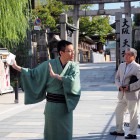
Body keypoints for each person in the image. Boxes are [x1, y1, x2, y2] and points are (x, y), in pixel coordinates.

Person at [12, 40, 81, 140]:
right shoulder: (49, 64)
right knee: (51, 134)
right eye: (70, 51)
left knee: (66, 133)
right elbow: (33, 74)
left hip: (65, 106)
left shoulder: (74, 66)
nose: (73, 53)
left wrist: (57, 76)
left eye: (73, 50)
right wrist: (16, 67)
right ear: (61, 53)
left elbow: (74, 81)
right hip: (52, 106)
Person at [110, 48, 140, 139]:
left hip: (132, 94)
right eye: (125, 54)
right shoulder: (121, 65)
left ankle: (133, 133)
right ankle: (119, 130)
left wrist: (130, 87)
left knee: (133, 113)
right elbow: (116, 78)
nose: (125, 56)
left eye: (128, 55)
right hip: (122, 94)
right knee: (119, 111)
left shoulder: (137, 67)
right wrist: (119, 86)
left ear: (133, 56)